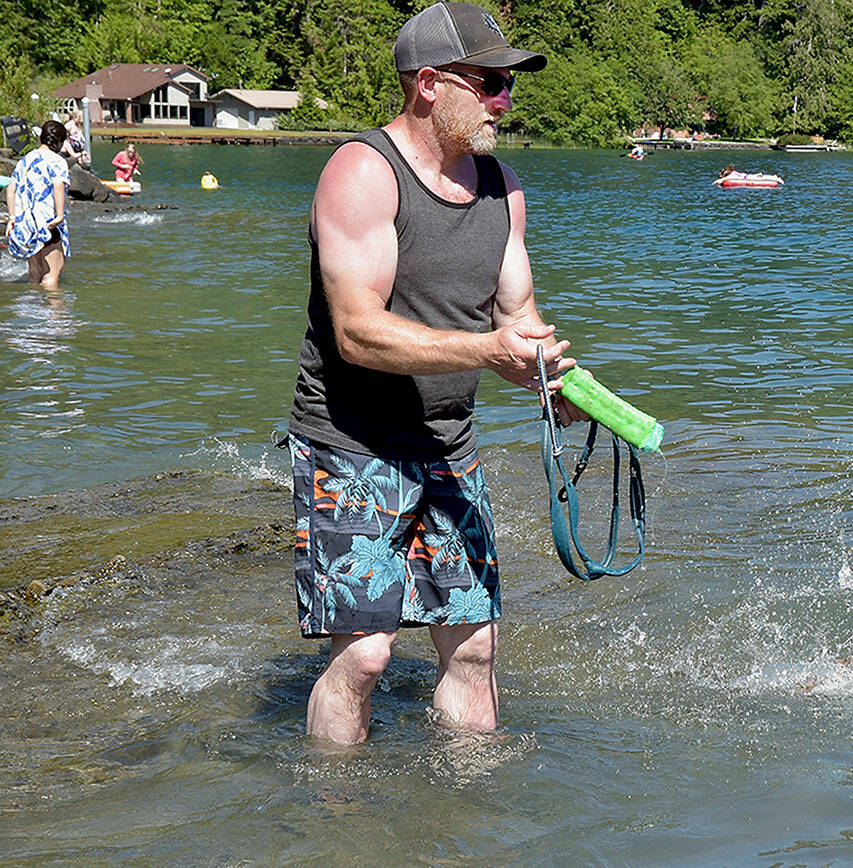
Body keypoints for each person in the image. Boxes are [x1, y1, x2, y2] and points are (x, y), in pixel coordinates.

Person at [287, 0, 577, 746]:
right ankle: (337, 821)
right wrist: (487, 351)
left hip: (450, 446)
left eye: (508, 86)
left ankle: (471, 822)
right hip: (351, 446)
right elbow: (357, 333)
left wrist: (556, 383)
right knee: (366, 659)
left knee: (477, 647)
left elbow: (518, 319)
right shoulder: (362, 173)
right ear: (427, 85)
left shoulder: (502, 187)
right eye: (489, 83)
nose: (504, 101)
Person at [5, 121, 71, 291]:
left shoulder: (25, 160)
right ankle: (55, 317)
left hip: (26, 224)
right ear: (58, 141)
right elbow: (58, 185)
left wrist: (12, 218)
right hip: (48, 223)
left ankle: (32, 315)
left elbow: (11, 188)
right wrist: (60, 215)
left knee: (34, 276)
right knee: (51, 277)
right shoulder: (57, 161)